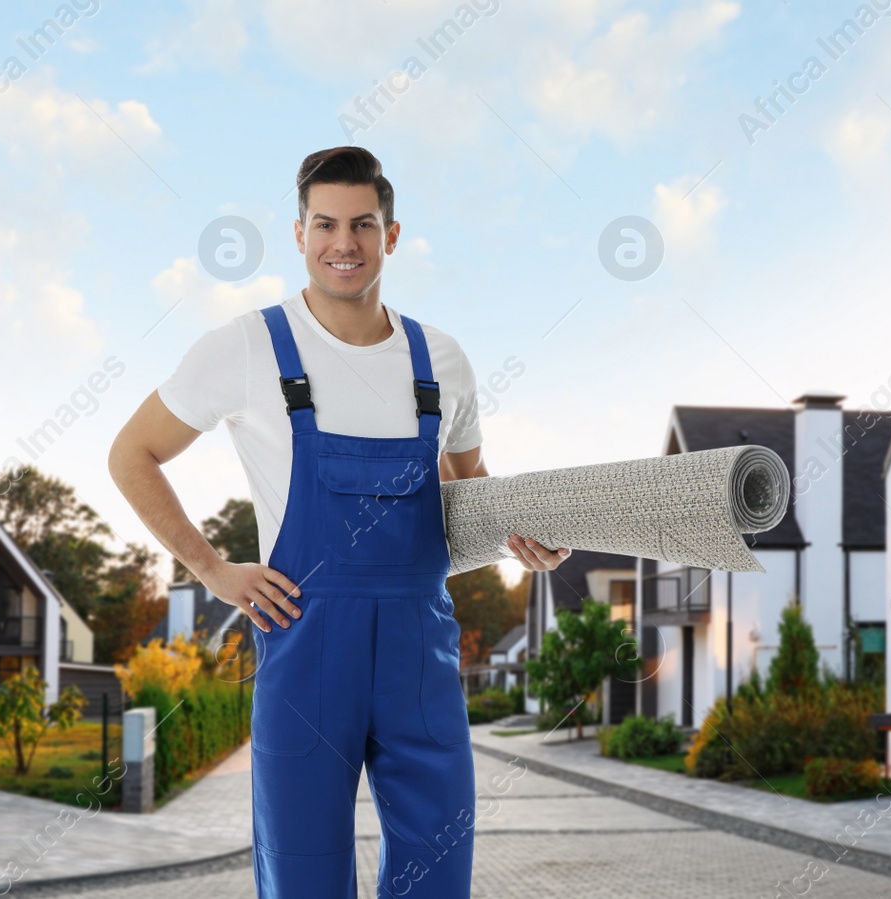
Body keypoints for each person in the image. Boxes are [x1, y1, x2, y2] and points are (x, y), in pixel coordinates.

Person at [108, 145, 569, 898]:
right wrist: (213, 569)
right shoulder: (247, 347)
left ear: (391, 234)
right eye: (326, 224)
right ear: (299, 234)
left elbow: (471, 489)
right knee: (304, 877)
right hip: (306, 647)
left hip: (421, 653)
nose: (343, 243)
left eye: (362, 224)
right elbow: (132, 453)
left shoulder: (441, 359)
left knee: (438, 876)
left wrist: (525, 538)